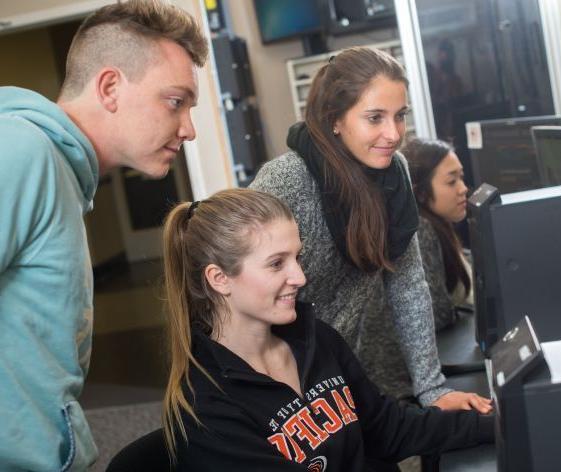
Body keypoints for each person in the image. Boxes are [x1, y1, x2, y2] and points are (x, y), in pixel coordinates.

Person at [0, 1, 207, 470]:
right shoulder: (23, 151)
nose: (189, 128)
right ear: (110, 87)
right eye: (175, 102)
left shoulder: (61, 173)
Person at [161, 188, 493, 471]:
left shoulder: (315, 339)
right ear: (219, 279)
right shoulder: (204, 408)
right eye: (277, 264)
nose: (300, 278)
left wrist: (494, 423)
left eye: (297, 258)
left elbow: (387, 429)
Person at [250, 47, 491, 413]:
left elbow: (407, 283)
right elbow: (239, 294)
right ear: (335, 119)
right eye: (375, 117)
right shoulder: (287, 180)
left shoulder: (394, 175)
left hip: (336, 366)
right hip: (269, 379)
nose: (392, 134)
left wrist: (432, 389)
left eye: (400, 116)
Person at [404, 138, 473, 332]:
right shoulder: (421, 230)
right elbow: (439, 314)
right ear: (421, 193)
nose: (463, 189)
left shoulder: (439, 225)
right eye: (452, 181)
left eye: (461, 177)